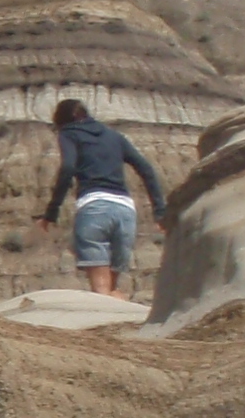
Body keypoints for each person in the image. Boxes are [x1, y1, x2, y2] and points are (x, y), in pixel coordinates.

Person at [35, 98, 168, 296]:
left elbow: (68, 167)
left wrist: (52, 211)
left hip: (94, 209)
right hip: (125, 211)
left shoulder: (69, 133)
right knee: (112, 290)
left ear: (60, 121)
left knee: (101, 294)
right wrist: (160, 211)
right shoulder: (115, 136)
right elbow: (146, 169)